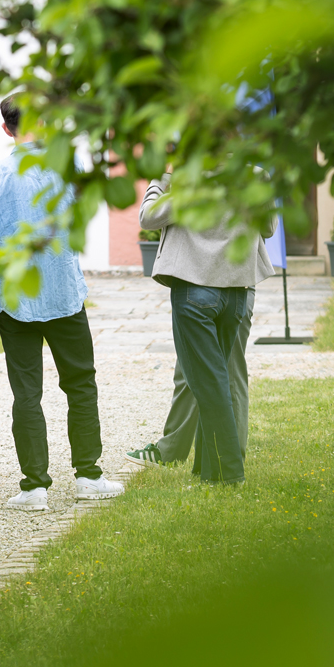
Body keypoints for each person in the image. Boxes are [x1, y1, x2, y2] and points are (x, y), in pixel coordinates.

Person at [0, 99, 123, 511]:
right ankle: (89, 476)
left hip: (15, 297)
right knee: (81, 384)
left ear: (6, 129)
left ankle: (34, 487)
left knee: (26, 394)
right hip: (64, 292)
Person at [132, 174, 272, 484]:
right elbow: (269, 227)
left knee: (215, 379)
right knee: (211, 374)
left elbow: (149, 217)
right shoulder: (254, 173)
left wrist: (159, 182)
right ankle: (205, 465)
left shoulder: (188, 176)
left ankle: (229, 469)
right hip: (238, 287)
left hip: (196, 285)